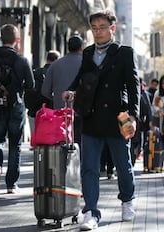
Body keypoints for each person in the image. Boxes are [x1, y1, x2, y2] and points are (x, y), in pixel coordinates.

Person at [62, 10, 140, 230]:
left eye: (102, 27)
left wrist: (133, 117)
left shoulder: (124, 53)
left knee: (123, 165)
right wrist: (71, 90)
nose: (98, 32)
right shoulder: (87, 53)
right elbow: (80, 79)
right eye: (94, 28)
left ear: (112, 29)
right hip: (92, 118)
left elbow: (133, 87)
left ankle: (127, 199)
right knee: (89, 168)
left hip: (117, 119)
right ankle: (91, 212)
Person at [0, 24, 34, 194]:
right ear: (17, 40)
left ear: (1, 39)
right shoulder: (21, 60)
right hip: (16, 105)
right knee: (15, 144)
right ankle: (11, 183)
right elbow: (31, 85)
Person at [41, 35, 84, 145]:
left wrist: (56, 99)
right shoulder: (87, 64)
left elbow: (45, 90)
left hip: (60, 111)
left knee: (62, 143)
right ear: (82, 47)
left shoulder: (55, 65)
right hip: (82, 111)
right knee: (81, 144)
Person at [25, 50, 60, 133]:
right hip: (51, 112)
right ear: (57, 60)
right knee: (49, 137)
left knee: (36, 136)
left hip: (34, 111)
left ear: (47, 59)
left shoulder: (36, 72)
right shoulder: (57, 74)